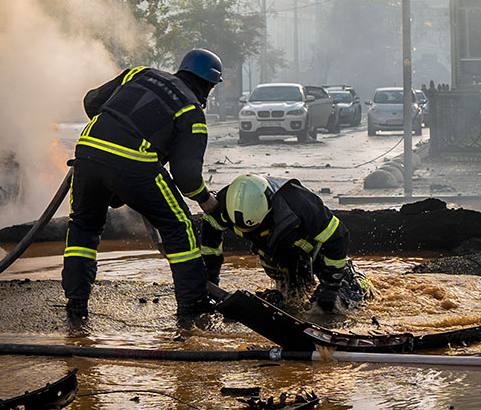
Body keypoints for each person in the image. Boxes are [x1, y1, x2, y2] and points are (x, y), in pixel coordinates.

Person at [63, 49, 223, 321]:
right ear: (208, 85)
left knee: (84, 226)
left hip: (87, 152)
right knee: (178, 226)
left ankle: (76, 304)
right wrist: (206, 199)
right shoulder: (191, 111)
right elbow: (186, 178)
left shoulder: (140, 73)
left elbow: (92, 101)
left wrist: (111, 137)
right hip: (135, 164)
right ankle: (193, 306)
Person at [200, 173, 372, 312]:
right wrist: (212, 276)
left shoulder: (301, 205)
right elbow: (210, 243)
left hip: (315, 252)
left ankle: (344, 284)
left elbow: (337, 236)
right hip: (275, 255)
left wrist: (331, 285)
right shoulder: (223, 206)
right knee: (292, 302)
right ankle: (281, 298)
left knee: (354, 299)